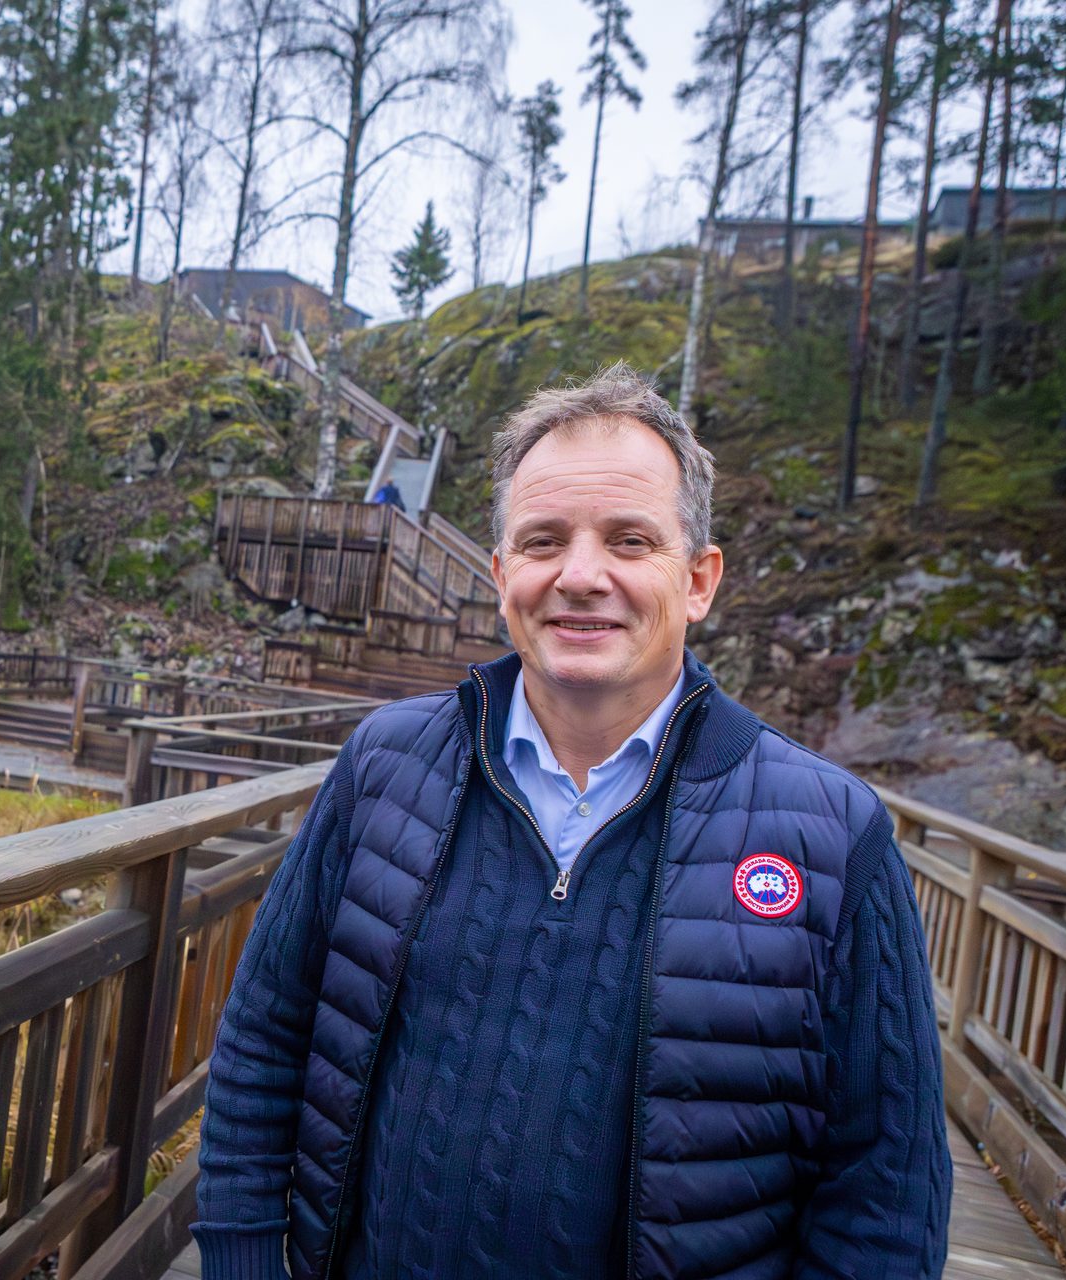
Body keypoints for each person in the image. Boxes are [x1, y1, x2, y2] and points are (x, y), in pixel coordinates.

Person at [192, 363, 950, 1279]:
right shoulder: (385, 766)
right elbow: (265, 1031)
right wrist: (240, 1259)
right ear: (504, 571)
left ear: (699, 579)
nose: (581, 576)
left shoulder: (832, 833)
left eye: (630, 541)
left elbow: (887, 1185)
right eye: (544, 540)